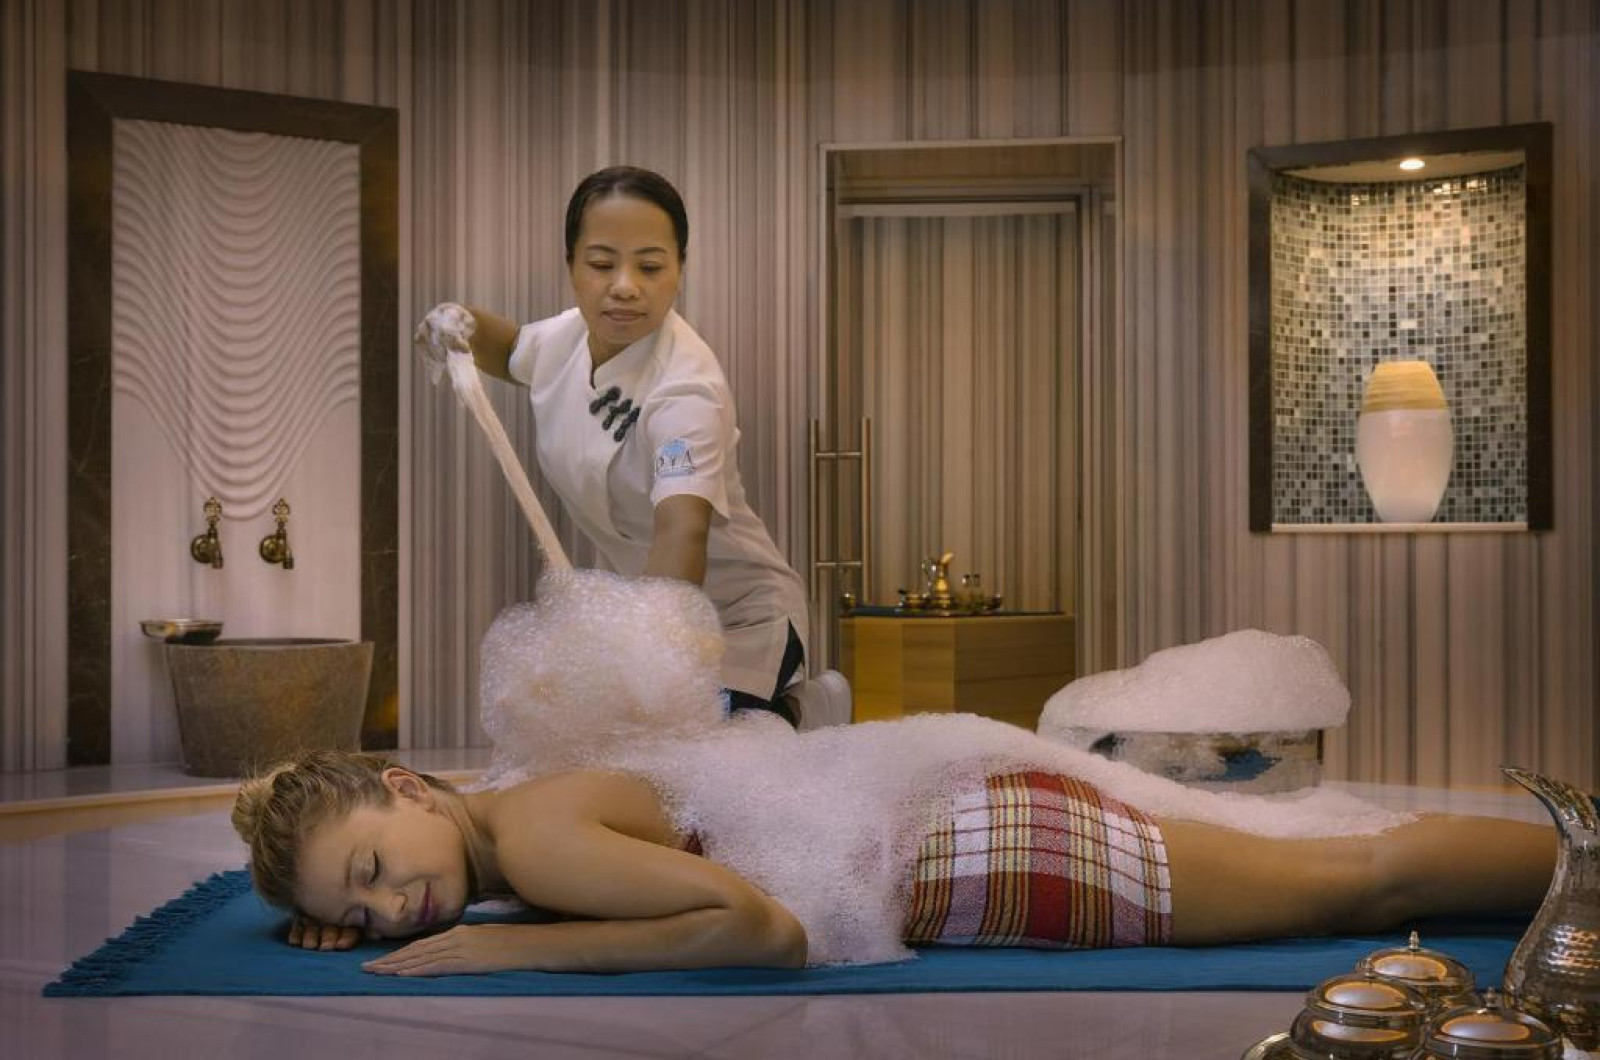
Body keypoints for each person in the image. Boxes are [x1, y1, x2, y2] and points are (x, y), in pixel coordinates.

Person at [234, 748, 1558, 977]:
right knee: (1334, 854)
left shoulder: (533, 843)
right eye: (359, 908)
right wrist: (329, 916)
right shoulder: (521, 813)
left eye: (372, 860)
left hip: (988, 854)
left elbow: (759, 930)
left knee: (1357, 880)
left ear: (408, 787)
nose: (390, 902)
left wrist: (506, 955)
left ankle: (1582, 854)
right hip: (951, 822)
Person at [414, 166, 827, 726]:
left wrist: (647, 662)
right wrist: (458, 321)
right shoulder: (566, 338)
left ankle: (803, 708)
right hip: (649, 615)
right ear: (571, 266)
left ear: (679, 269)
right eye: (602, 264)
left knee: (700, 752)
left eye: (650, 266)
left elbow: (681, 530)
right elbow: (511, 349)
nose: (626, 285)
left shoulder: (687, 391)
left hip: (739, 622)